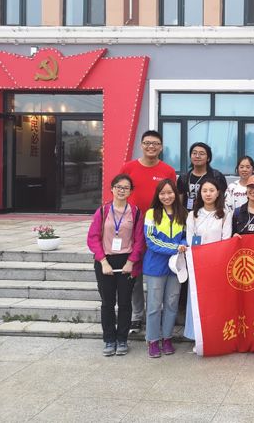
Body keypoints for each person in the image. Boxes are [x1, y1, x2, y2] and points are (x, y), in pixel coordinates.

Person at [120, 130, 176, 334]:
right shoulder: (128, 167)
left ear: (161, 147)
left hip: (159, 229)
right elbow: (120, 193)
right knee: (134, 272)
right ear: (141, 145)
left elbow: (172, 198)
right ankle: (137, 315)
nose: (151, 146)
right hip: (133, 227)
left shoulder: (168, 170)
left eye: (155, 143)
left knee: (159, 273)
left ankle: (158, 314)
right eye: (147, 143)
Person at [87, 174, 144, 357]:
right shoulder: (103, 211)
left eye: (125, 188)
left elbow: (139, 241)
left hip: (127, 261)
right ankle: (109, 339)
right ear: (112, 189)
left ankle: (122, 339)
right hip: (105, 261)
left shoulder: (135, 212)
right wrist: (103, 261)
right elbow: (92, 238)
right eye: (118, 187)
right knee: (107, 303)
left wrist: (131, 262)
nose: (121, 190)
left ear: (130, 191)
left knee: (125, 302)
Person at [143, 178, 188, 358]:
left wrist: (183, 244)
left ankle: (167, 338)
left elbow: (185, 235)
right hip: (155, 266)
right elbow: (150, 240)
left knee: (171, 303)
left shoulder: (182, 213)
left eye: (170, 192)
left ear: (175, 194)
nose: (166, 196)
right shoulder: (151, 213)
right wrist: (175, 247)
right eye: (162, 193)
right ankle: (153, 340)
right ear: (158, 195)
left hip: (176, 266)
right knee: (154, 305)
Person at [185, 178, 232, 345]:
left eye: (211, 190)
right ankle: (197, 337)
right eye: (204, 191)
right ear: (200, 193)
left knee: (215, 302)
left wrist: (214, 258)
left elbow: (226, 240)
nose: (208, 194)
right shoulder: (193, 215)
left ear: (218, 193)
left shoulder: (225, 215)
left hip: (216, 265)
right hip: (198, 265)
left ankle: (214, 336)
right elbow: (190, 240)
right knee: (197, 301)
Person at [177, 142, 228, 212]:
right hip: (187, 216)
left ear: (208, 158)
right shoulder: (183, 178)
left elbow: (223, 199)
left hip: (211, 215)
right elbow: (179, 202)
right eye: (194, 153)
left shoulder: (217, 176)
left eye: (201, 154)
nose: (197, 156)